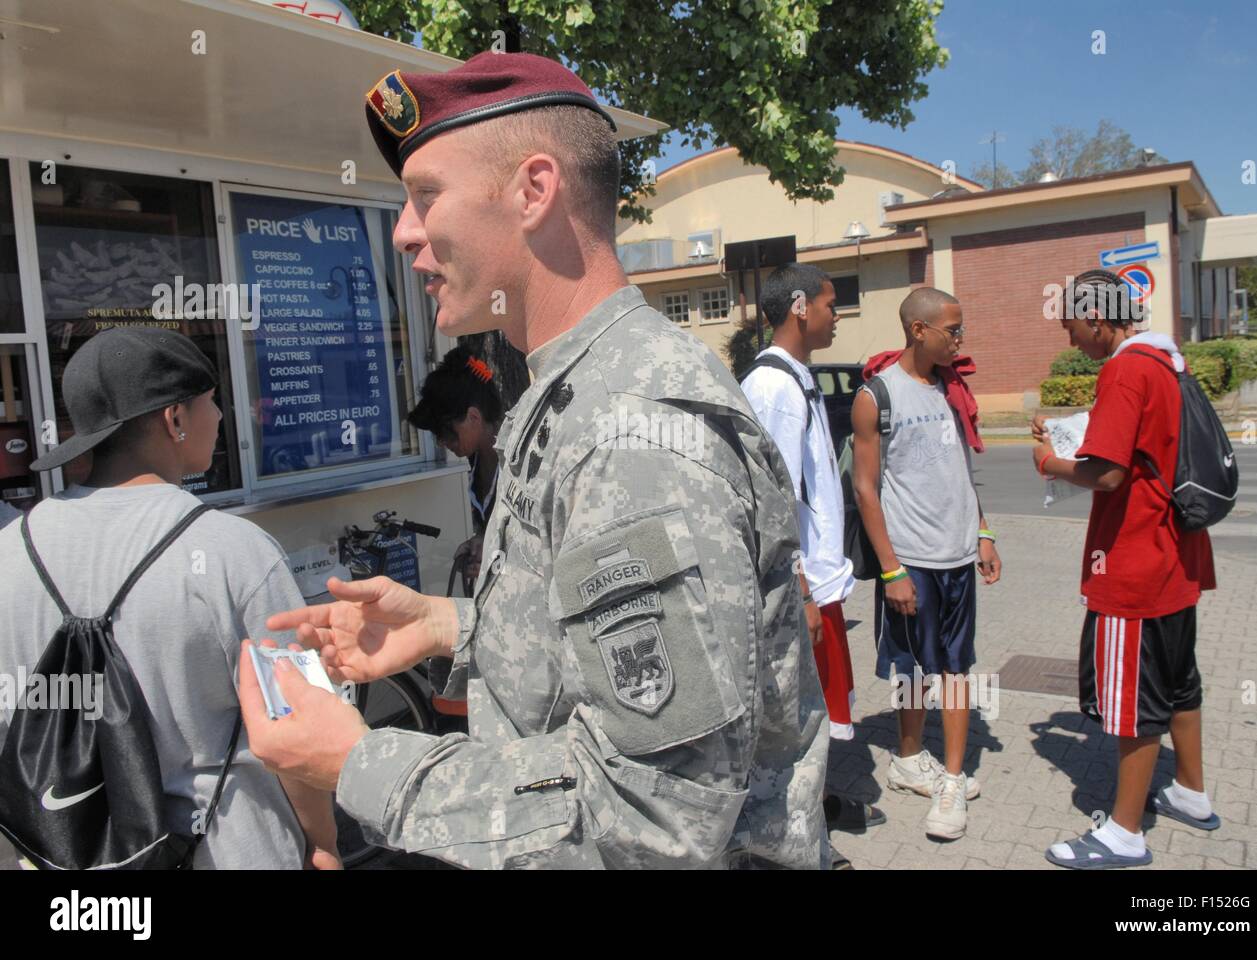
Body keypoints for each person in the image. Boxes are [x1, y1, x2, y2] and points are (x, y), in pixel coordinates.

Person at [235, 52, 830, 870]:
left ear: (533, 190)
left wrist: (357, 762)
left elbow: (652, 818)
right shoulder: (574, 389)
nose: (405, 228)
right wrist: (443, 625)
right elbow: (602, 654)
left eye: (426, 194)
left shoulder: (631, 430)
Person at [0, 327, 339, 869]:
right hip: (228, 851)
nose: (223, 417)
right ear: (174, 419)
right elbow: (299, 724)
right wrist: (322, 841)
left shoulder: (9, 552)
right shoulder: (236, 551)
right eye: (212, 402)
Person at [1035, 270, 1217, 869]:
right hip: (1178, 556)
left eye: (1072, 328)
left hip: (1135, 560)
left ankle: (1124, 831)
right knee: (1178, 681)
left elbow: (1107, 473)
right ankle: (1190, 792)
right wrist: (1071, 436)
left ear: (1095, 316)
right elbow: (1140, 440)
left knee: (1133, 701)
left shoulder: (1123, 368)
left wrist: (1049, 462)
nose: (1071, 341)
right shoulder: (1167, 362)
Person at [850, 287, 1000, 841]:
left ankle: (954, 780)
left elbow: (961, 469)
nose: (960, 339)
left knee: (956, 669)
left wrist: (982, 530)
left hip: (958, 555)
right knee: (913, 670)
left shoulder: (952, 388)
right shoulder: (877, 397)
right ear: (919, 330)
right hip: (911, 561)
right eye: (952, 330)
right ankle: (909, 759)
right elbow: (865, 489)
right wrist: (891, 569)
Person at [740, 262, 883, 836]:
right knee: (793, 722)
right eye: (830, 304)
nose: (837, 315)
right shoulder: (772, 385)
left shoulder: (796, 375)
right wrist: (797, 587)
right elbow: (770, 499)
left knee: (815, 713)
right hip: (798, 585)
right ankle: (796, 837)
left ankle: (816, 810)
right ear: (799, 306)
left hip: (817, 580)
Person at [408, 344, 505, 588]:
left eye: (446, 431)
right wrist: (483, 541)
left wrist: (496, 560)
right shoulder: (476, 462)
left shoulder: (521, 462)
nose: (441, 441)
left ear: (474, 417)